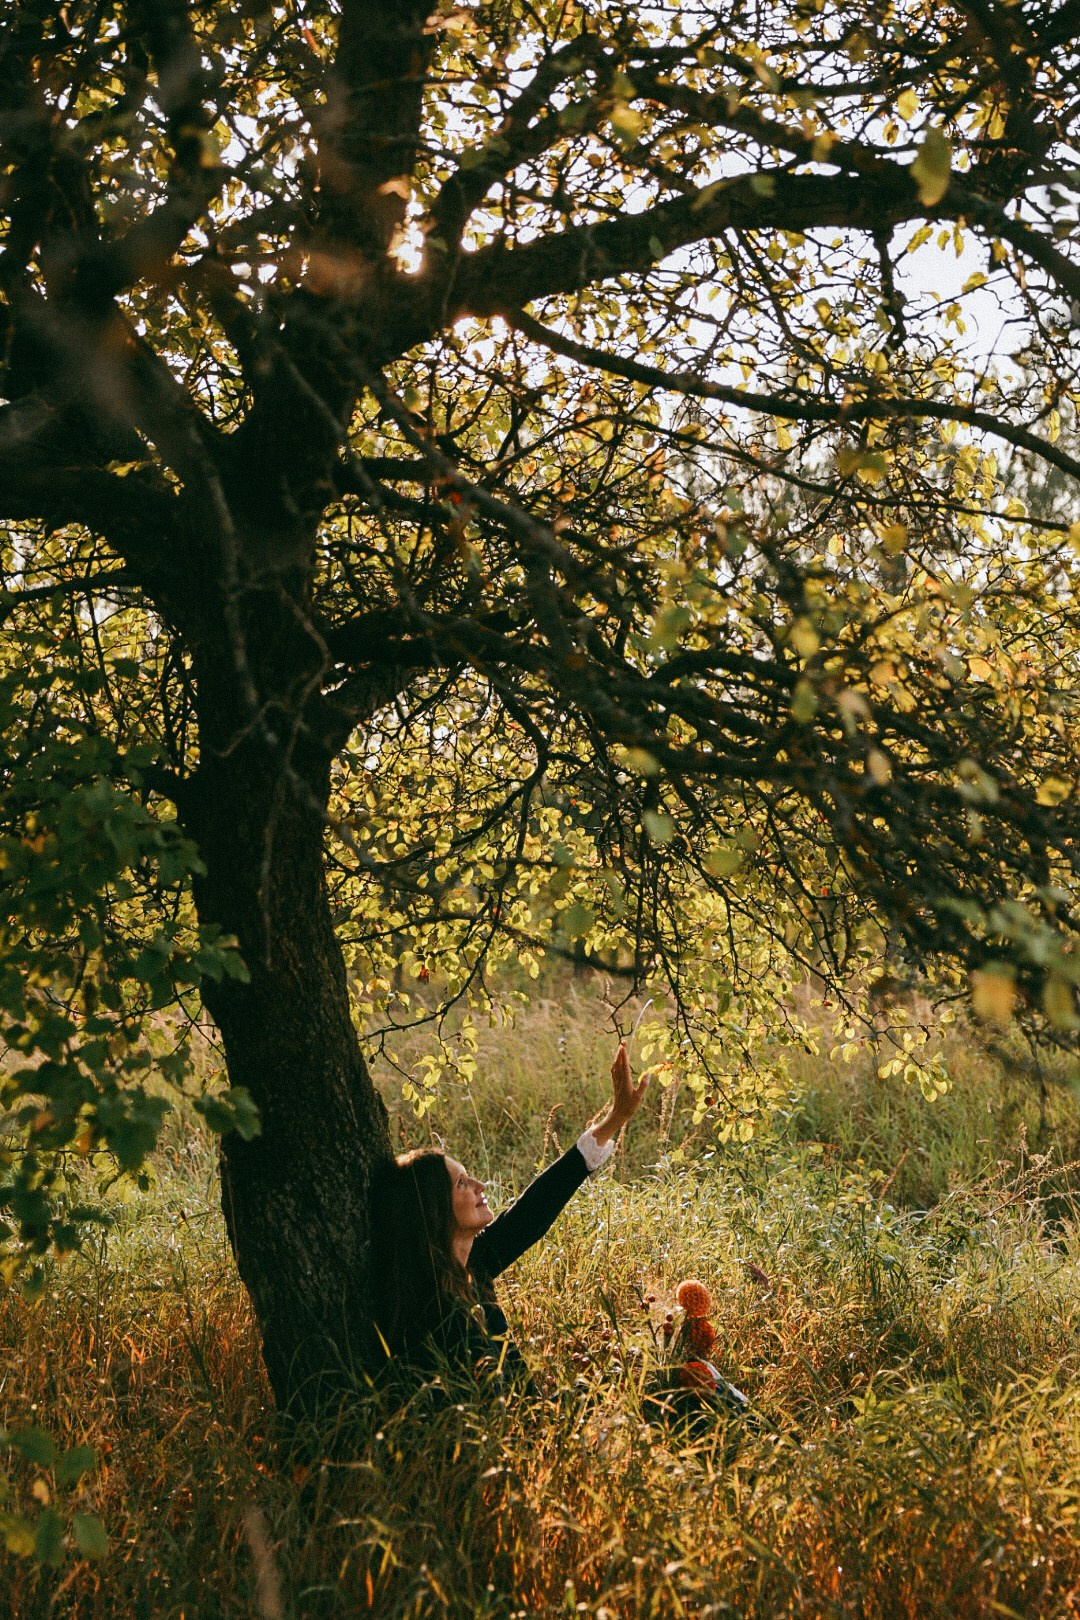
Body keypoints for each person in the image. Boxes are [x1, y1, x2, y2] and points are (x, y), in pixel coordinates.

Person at [368, 1040, 648, 1390]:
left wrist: (615, 1119)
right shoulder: (439, 1312)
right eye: (460, 1184)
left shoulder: (471, 1266)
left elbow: (534, 1210)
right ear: (434, 1210)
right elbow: (500, 1402)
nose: (479, 1184)